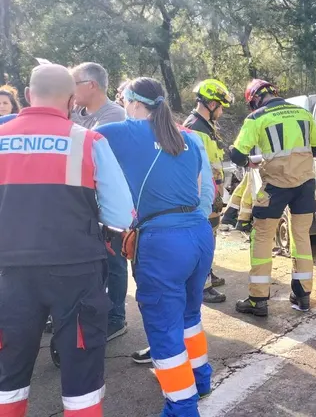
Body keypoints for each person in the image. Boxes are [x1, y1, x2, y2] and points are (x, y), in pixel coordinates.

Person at [0, 64, 133, 417]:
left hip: (8, 274)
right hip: (76, 271)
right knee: (82, 381)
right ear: (73, 101)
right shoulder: (89, 140)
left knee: (7, 376)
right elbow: (121, 216)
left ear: (27, 96)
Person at [95, 77, 215, 415]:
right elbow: (203, 191)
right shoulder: (187, 138)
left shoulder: (123, 131)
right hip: (199, 235)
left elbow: (79, 142)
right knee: (190, 315)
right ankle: (201, 378)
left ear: (132, 102)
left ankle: (181, 406)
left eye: (120, 98)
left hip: (163, 243)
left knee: (164, 329)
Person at [230, 79, 316, 316]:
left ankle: (258, 300)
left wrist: (252, 161)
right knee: (301, 237)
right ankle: (303, 297)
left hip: (274, 186)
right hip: (305, 184)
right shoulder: (303, 113)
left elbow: (236, 154)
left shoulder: (256, 118)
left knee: (262, 238)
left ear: (254, 99)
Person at [69, 62, 133, 342]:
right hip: (81, 203)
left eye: (75, 84)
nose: (71, 91)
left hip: (107, 204)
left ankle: (116, 317)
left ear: (91, 85)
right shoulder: (75, 113)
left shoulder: (114, 116)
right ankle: (91, 310)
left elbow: (93, 158)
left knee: (114, 261)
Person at [182, 79, 232, 304]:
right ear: (211, 104)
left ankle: (206, 275)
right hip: (204, 194)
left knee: (210, 236)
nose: (221, 111)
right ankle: (202, 287)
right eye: (220, 106)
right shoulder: (195, 128)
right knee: (203, 239)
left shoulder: (206, 126)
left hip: (212, 193)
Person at [221, 168, 253, 233]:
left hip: (253, 163)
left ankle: (229, 215)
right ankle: (243, 222)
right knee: (251, 187)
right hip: (257, 162)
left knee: (245, 185)